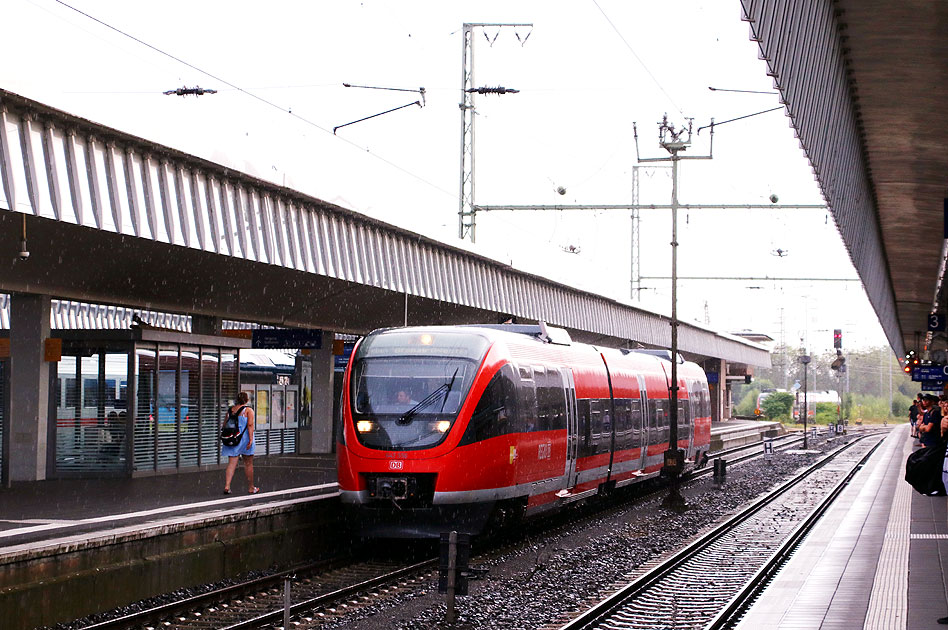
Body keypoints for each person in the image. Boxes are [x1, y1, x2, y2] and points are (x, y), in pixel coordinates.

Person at [222, 392, 259, 495]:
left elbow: (225, 424)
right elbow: (250, 425)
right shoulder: (248, 410)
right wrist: (251, 439)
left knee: (232, 463)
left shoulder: (231, 410)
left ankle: (227, 486)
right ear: (246, 400)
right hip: (245, 439)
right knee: (248, 464)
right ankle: (251, 487)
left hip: (233, 439)